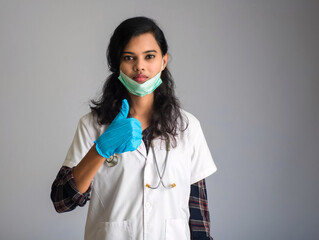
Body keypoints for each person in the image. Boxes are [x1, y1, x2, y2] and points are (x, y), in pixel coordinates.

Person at [51, 16, 217, 240]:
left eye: (149, 56)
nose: (140, 66)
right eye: (129, 58)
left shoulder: (187, 127)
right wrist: (100, 149)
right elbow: (62, 201)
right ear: (117, 65)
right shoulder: (92, 125)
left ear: (164, 61)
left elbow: (198, 213)